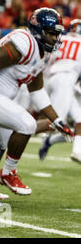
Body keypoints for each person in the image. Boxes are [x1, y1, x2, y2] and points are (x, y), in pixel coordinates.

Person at [0, 7, 74, 197]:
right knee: (27, 124)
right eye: (50, 33)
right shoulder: (24, 43)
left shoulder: (43, 53)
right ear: (38, 30)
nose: (55, 39)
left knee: (0, 144)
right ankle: (8, 173)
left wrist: (57, 120)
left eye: (57, 34)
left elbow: (37, 91)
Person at [39, 19, 81, 163]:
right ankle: (17, 132)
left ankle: (75, 151)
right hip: (67, 80)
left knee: (78, 120)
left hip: (51, 78)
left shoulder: (60, 39)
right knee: (54, 123)